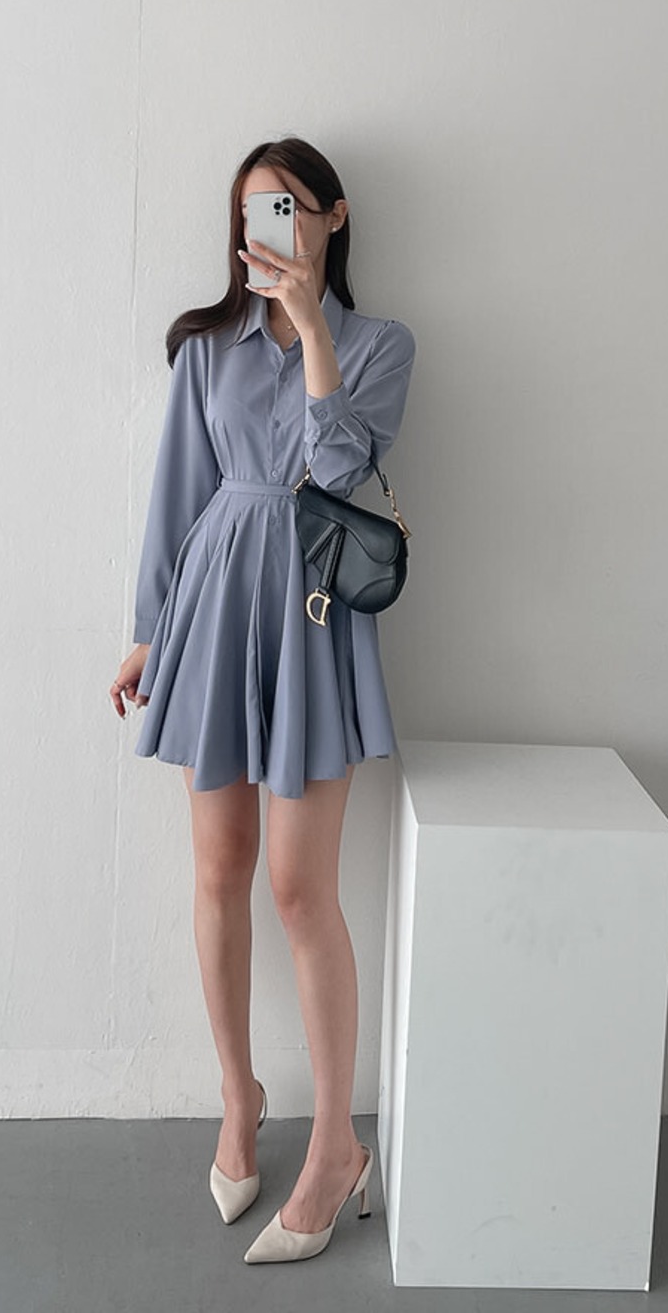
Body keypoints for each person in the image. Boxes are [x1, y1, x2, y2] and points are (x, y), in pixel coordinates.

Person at [108, 136, 416, 1263]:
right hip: (214, 609)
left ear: (332, 215)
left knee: (299, 886)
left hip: (315, 619)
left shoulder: (380, 345)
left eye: (285, 207)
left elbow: (335, 474)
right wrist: (150, 632)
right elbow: (178, 494)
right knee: (218, 868)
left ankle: (336, 1144)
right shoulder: (207, 349)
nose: (266, 229)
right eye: (250, 212)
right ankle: (238, 1095)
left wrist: (314, 329)